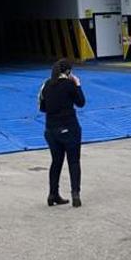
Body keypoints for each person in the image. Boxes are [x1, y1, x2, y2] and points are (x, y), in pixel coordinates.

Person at [38, 59, 86, 208]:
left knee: (56, 162)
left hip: (51, 130)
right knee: (73, 161)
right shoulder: (70, 85)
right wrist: (77, 85)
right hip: (69, 128)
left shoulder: (46, 85)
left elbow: (42, 107)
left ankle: (53, 194)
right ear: (68, 72)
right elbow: (81, 102)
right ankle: (75, 194)